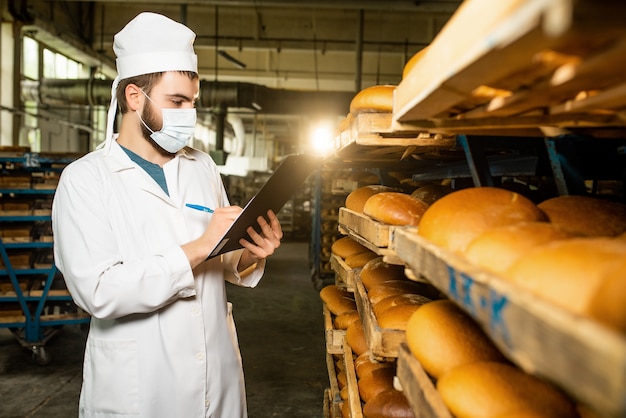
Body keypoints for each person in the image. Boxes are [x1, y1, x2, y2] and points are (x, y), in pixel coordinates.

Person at [52, 12, 283, 418]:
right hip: (139, 390)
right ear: (134, 98)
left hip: (216, 380)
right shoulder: (85, 180)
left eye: (192, 103)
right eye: (176, 102)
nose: (188, 114)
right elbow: (99, 292)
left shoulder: (201, 166)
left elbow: (223, 259)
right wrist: (198, 247)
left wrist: (250, 251)